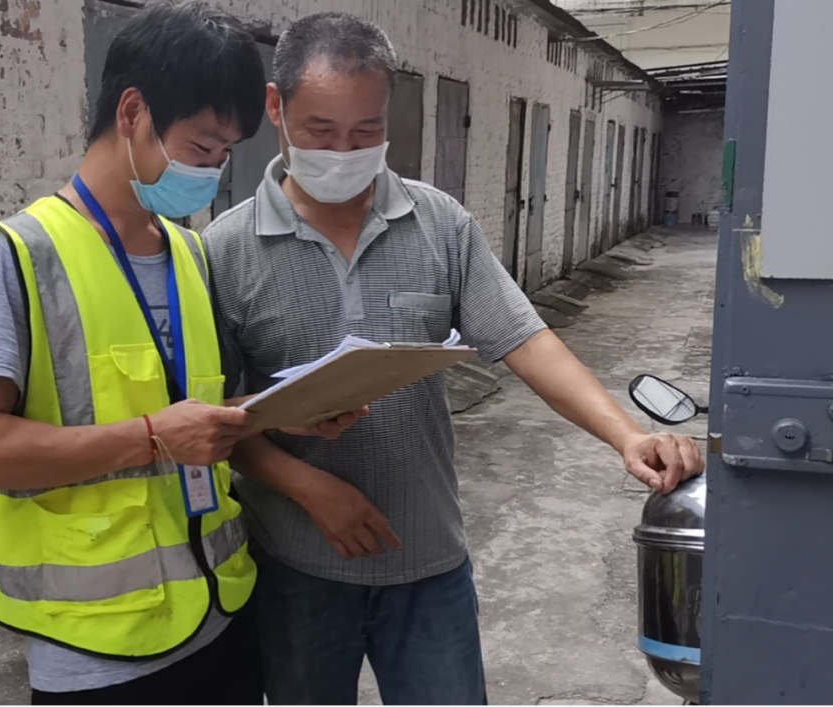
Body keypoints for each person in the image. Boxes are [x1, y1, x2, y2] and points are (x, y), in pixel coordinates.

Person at [203, 12, 705, 707]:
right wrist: (308, 487)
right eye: (320, 131)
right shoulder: (226, 250)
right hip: (296, 565)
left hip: (428, 562)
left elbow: (527, 341)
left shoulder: (438, 224)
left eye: (367, 131)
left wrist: (626, 435)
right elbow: (214, 419)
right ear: (275, 107)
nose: (343, 151)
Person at [0, 4, 286, 704]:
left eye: (225, 154)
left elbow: (190, 412)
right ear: (132, 112)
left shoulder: (189, 254)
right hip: (100, 653)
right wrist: (151, 438)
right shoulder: (19, 257)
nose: (212, 170)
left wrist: (282, 410)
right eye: (201, 146)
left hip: (221, 614)